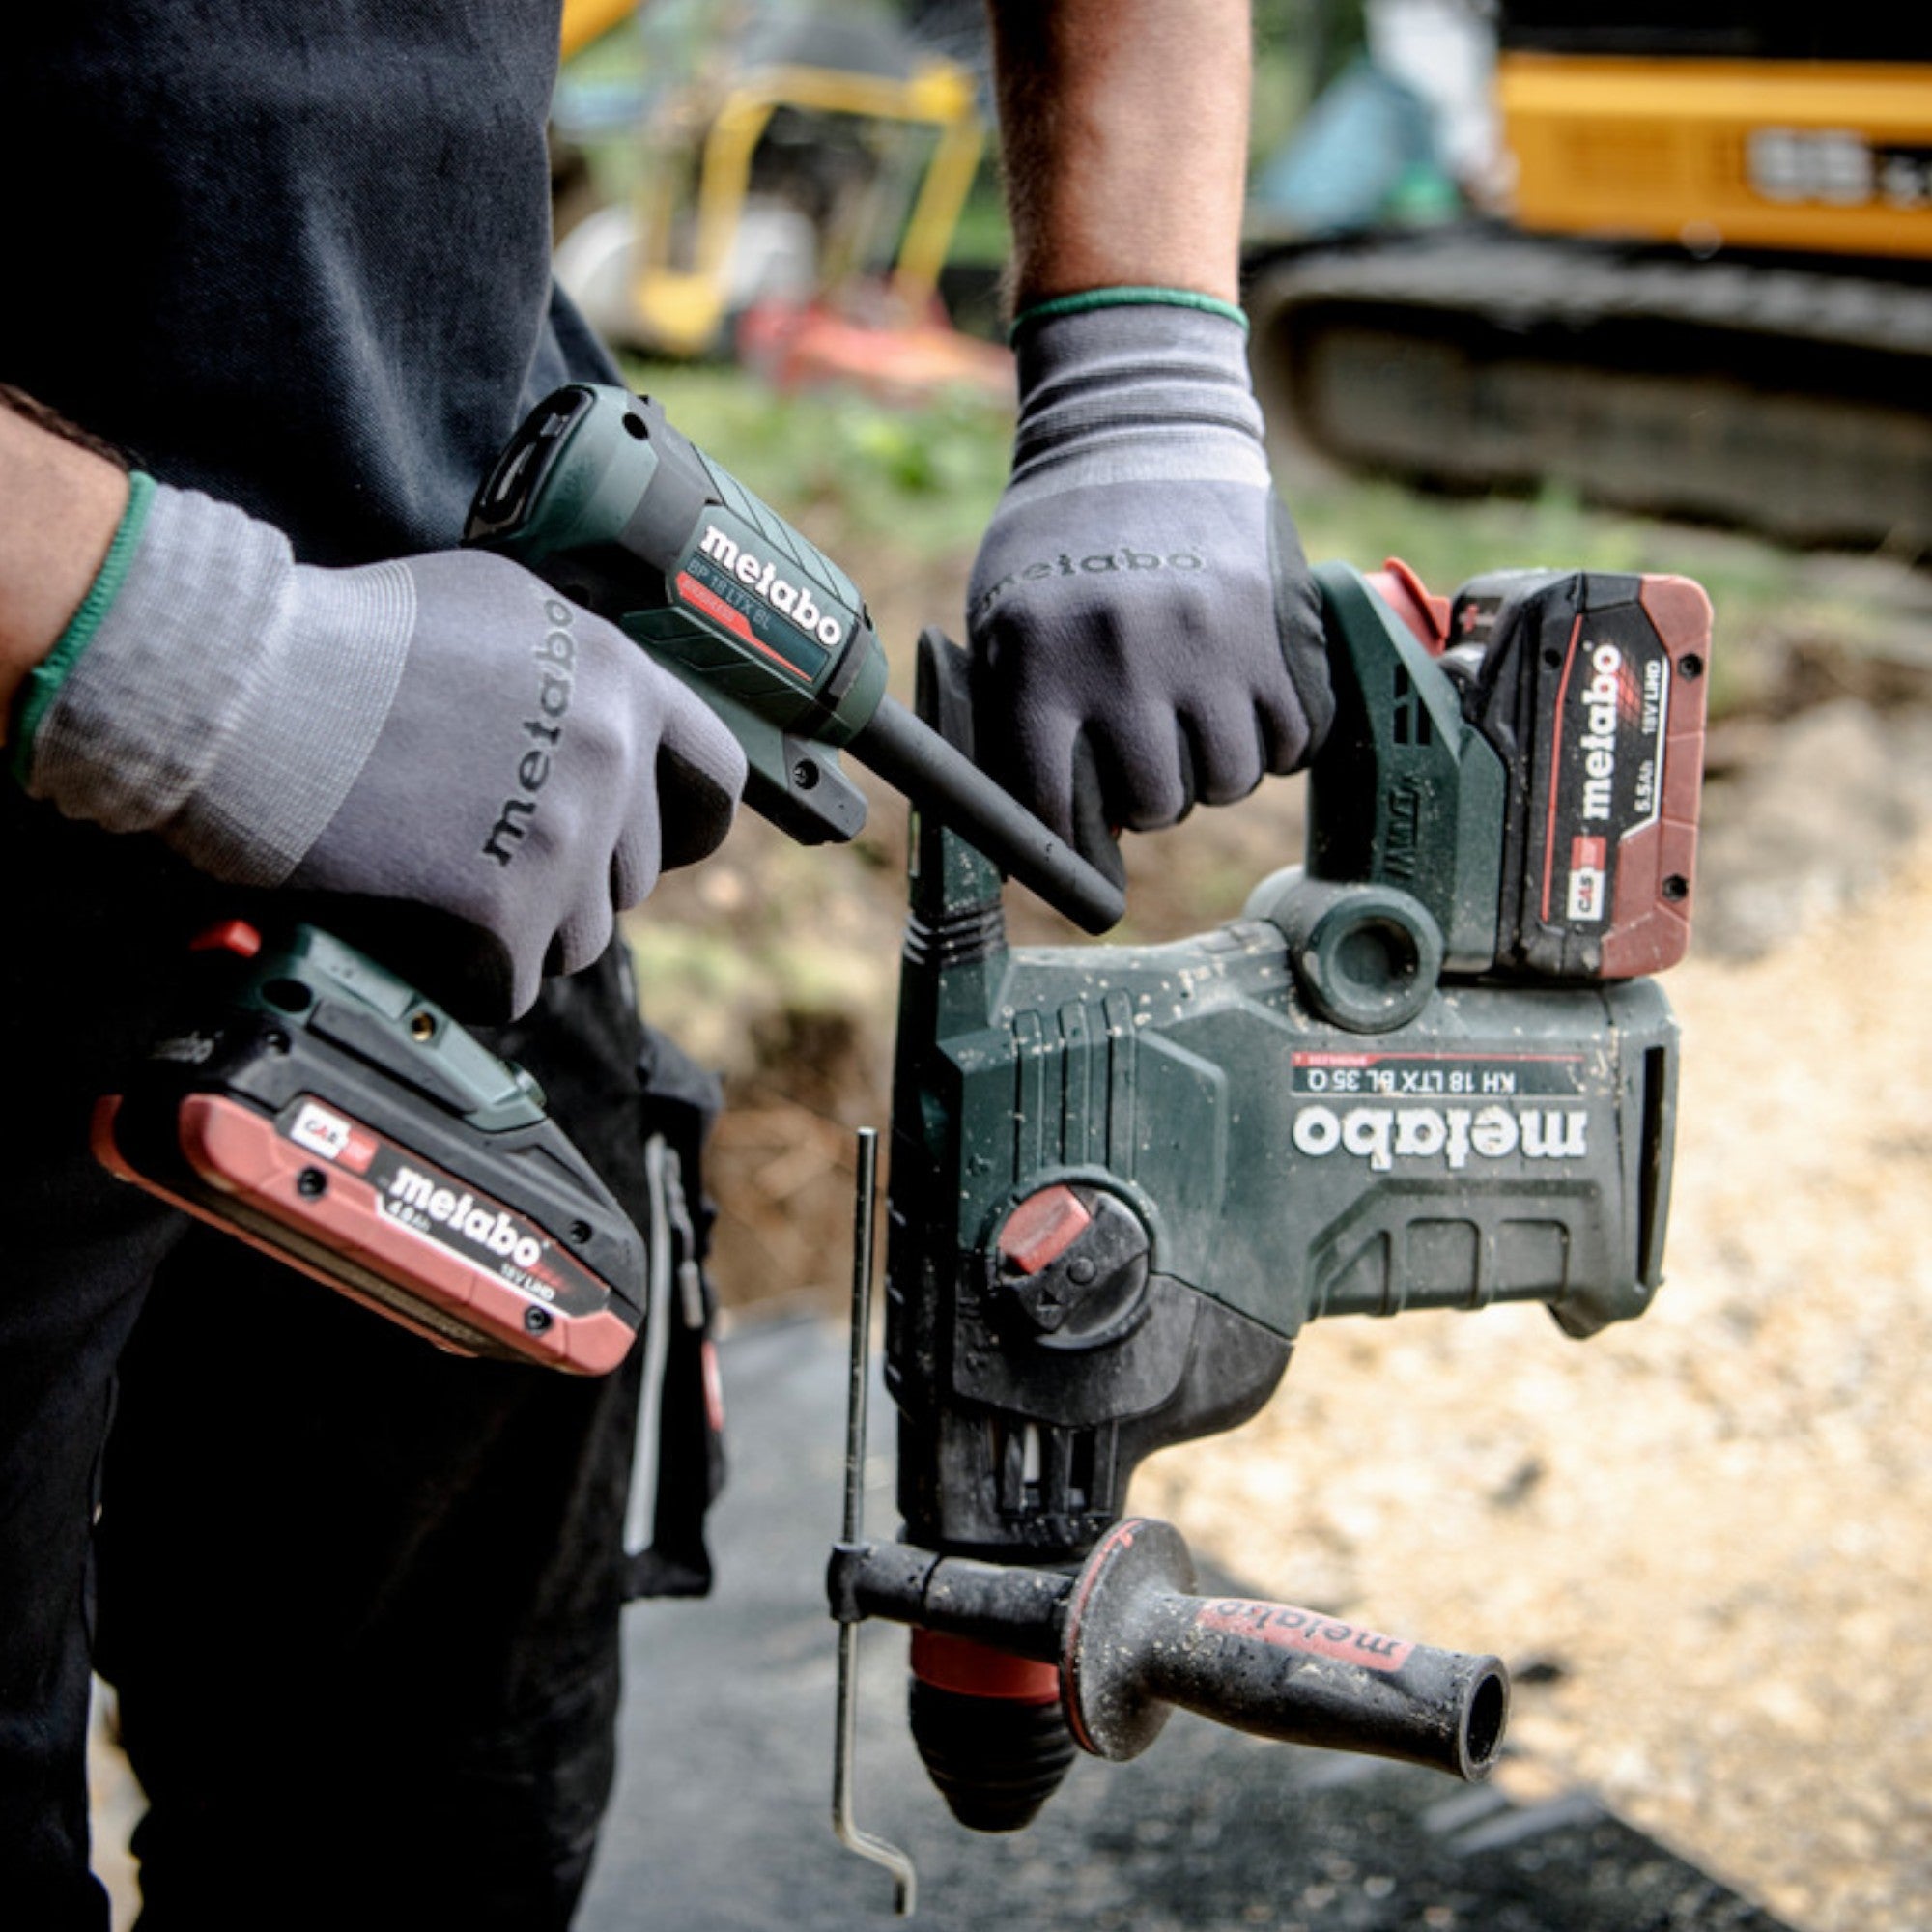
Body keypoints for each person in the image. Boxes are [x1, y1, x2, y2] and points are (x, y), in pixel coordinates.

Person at [0, 3, 1329, 1925]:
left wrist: (1147, 364)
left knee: (422, 1834)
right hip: (183, 738)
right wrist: (180, 649)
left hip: (464, 812)